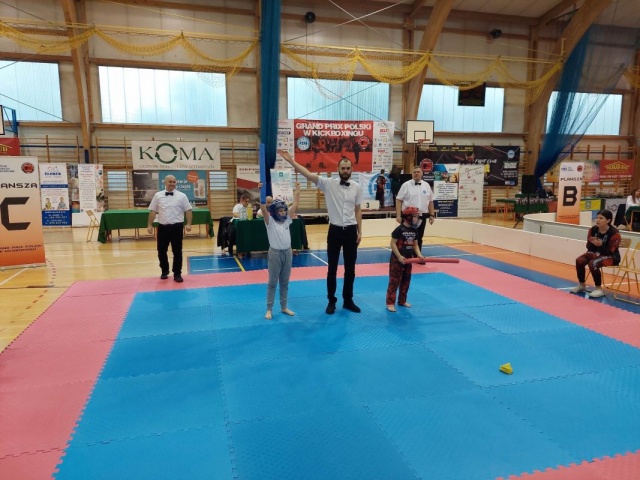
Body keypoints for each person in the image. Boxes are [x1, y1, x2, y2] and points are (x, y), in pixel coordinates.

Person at [278, 149, 363, 314]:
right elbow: (308, 175)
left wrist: (360, 231)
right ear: (338, 169)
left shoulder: (357, 187)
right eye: (343, 168)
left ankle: (348, 300)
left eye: (348, 168)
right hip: (335, 230)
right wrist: (291, 162)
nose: (346, 171)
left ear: (352, 170)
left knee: (350, 268)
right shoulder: (328, 183)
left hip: (351, 230)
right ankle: (331, 300)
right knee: (332, 268)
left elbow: (358, 210)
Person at [261, 185, 300, 320]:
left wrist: (297, 192)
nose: (283, 213)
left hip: (287, 253)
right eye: (280, 211)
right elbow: (263, 208)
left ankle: (284, 307)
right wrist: (261, 190)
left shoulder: (287, 220)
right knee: (272, 283)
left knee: (285, 282)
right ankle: (269, 309)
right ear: (275, 211)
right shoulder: (270, 221)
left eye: (284, 210)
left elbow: (295, 205)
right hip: (275, 254)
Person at [147, 175, 192, 282]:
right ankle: (164, 270)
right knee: (161, 251)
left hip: (177, 227)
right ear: (165, 183)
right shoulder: (158, 195)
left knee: (177, 251)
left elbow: (188, 210)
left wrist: (189, 224)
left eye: (174, 182)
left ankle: (177, 273)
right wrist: (149, 225)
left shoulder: (182, 196)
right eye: (170, 181)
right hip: (163, 227)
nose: (172, 183)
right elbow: (153, 211)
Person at [570, 209, 621, 298]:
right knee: (579, 260)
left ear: (608, 220)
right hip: (595, 253)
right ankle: (582, 285)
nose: (597, 220)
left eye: (601, 218)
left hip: (611, 256)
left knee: (593, 263)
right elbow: (588, 247)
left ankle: (598, 289)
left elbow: (609, 251)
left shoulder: (614, 233)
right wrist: (593, 243)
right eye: (597, 218)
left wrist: (601, 245)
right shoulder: (593, 230)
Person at [386, 207, 425, 312]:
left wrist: (419, 255)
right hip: (397, 261)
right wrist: (399, 256)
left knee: (406, 281)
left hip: (409, 260)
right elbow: (393, 243)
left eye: (417, 217)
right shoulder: (399, 230)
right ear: (408, 217)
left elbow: (415, 245)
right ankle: (390, 303)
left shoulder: (414, 230)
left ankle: (402, 300)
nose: (417, 219)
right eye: (415, 216)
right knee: (394, 282)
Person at [395, 166, 435, 252]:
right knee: (405, 235)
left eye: (418, 172)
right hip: (408, 216)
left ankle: (417, 255)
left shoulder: (426, 185)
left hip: (422, 215)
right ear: (412, 174)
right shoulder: (406, 185)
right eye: (414, 172)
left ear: (422, 174)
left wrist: (432, 215)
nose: (416, 174)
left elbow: (431, 201)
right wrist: (398, 215)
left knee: (419, 236)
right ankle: (404, 254)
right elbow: (398, 200)